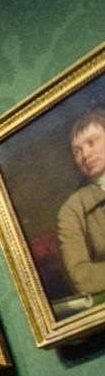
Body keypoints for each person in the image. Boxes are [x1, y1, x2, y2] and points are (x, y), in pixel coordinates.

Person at [57, 106, 105, 296]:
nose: (85, 155)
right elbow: (80, 276)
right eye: (77, 151)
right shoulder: (72, 209)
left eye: (91, 143)